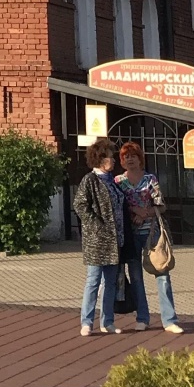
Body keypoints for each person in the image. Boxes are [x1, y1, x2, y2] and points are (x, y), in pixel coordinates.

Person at [116, 140, 183, 334]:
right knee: (136, 277)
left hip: (152, 233)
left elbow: (161, 205)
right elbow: (117, 206)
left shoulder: (150, 179)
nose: (130, 159)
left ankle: (169, 320)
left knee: (162, 274)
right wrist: (132, 211)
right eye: (126, 156)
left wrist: (145, 212)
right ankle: (142, 318)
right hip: (130, 235)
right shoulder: (119, 182)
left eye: (133, 156)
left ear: (140, 159)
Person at [72, 137, 126, 337]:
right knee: (93, 280)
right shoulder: (90, 180)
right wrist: (96, 225)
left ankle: (108, 321)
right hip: (97, 240)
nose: (113, 161)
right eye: (111, 157)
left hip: (115, 239)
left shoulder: (112, 180)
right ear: (100, 159)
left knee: (111, 282)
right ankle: (86, 322)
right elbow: (79, 205)